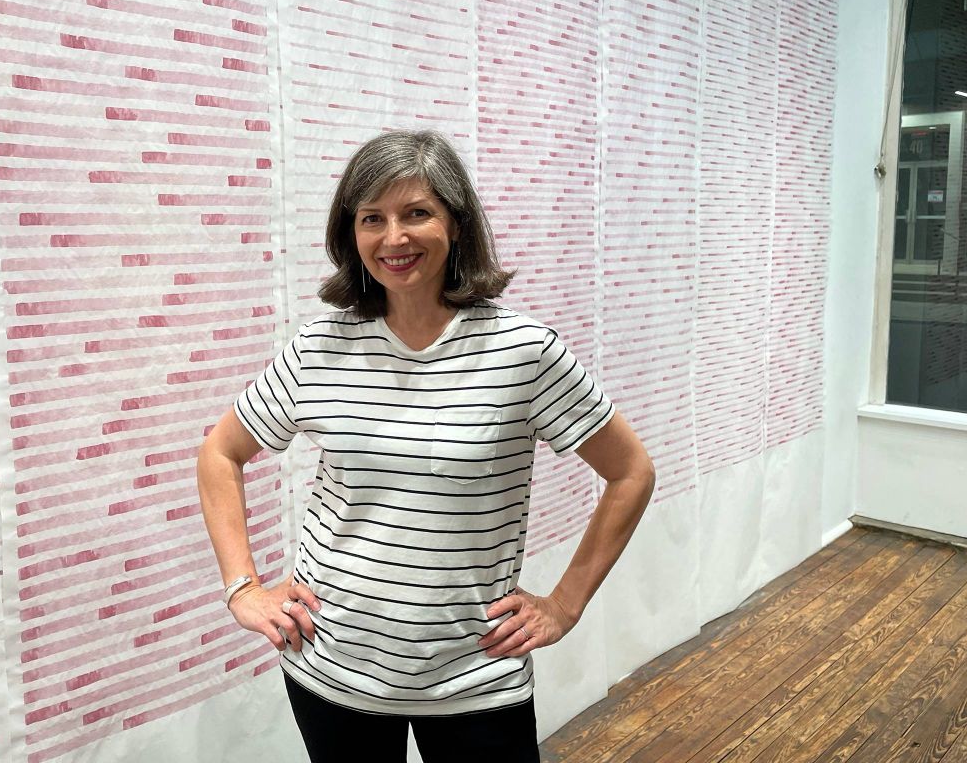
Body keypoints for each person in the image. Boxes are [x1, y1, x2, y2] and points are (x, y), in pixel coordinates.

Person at [197, 130, 655, 763]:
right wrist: (242, 588)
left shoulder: (522, 350)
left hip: (476, 676)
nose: (394, 239)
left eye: (417, 214)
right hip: (332, 667)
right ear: (349, 234)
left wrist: (565, 604)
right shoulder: (320, 347)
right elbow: (220, 454)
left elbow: (630, 472)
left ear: (456, 225)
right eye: (372, 219)